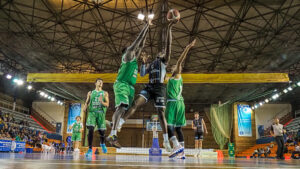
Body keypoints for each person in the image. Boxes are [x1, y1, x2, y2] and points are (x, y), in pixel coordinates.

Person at [116, 20, 177, 152]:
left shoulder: (164, 61)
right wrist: (143, 62)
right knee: (135, 103)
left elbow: (169, 45)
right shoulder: (152, 64)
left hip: (160, 88)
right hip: (149, 87)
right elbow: (142, 74)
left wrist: (170, 28)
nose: (162, 52)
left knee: (161, 114)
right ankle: (121, 122)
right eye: (161, 51)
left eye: (163, 52)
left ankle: (166, 141)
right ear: (157, 54)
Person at [106, 19, 152, 148]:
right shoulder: (127, 56)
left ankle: (119, 121)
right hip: (122, 84)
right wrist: (145, 26)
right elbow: (138, 41)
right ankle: (113, 133)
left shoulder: (133, 60)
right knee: (121, 107)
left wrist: (148, 29)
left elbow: (141, 45)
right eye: (132, 50)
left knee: (133, 107)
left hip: (130, 87)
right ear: (127, 52)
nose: (135, 51)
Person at [165, 39, 196, 158]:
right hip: (180, 103)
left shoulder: (177, 74)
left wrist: (187, 48)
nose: (174, 67)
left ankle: (177, 146)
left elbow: (179, 61)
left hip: (174, 103)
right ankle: (182, 153)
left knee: (169, 126)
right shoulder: (171, 79)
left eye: (175, 67)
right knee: (178, 129)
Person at [84, 78, 109, 156]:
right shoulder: (91, 93)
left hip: (101, 113)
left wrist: (102, 102)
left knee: (102, 132)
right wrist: (85, 105)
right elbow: (87, 102)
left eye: (102, 82)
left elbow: (107, 104)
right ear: (95, 83)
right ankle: (90, 149)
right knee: (90, 130)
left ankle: (102, 143)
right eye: (99, 81)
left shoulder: (105, 93)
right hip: (92, 113)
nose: (101, 83)